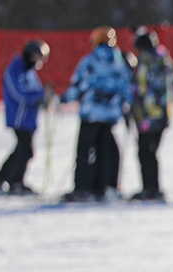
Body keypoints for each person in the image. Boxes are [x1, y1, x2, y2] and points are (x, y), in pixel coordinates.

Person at [61, 27, 131, 202]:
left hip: (90, 115)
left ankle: (84, 188)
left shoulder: (89, 62)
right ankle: (106, 187)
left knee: (85, 152)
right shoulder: (119, 63)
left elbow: (78, 86)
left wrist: (62, 99)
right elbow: (127, 89)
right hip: (110, 117)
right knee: (108, 152)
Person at [129, 28, 173, 201]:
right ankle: (154, 188)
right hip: (163, 116)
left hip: (146, 116)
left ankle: (150, 188)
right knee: (152, 152)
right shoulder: (166, 62)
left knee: (145, 152)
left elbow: (137, 89)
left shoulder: (144, 63)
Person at [0, 40, 49, 195]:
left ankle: (2, 180)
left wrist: (44, 98)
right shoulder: (15, 69)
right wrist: (40, 96)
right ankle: (15, 182)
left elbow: (35, 90)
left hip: (28, 119)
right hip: (19, 118)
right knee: (25, 149)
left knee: (22, 149)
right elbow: (19, 94)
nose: (39, 62)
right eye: (37, 57)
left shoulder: (29, 71)